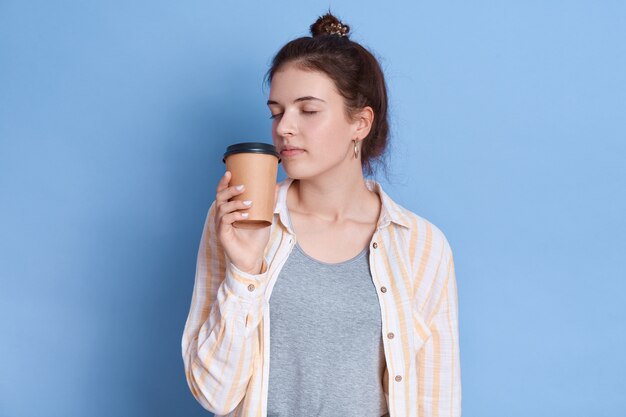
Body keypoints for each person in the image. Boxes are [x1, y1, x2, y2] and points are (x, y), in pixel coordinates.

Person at [181, 11, 461, 417]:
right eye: (276, 112)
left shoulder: (421, 245)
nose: (284, 128)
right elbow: (215, 394)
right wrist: (245, 271)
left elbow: (437, 401)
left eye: (307, 110)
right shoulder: (237, 219)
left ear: (360, 123)